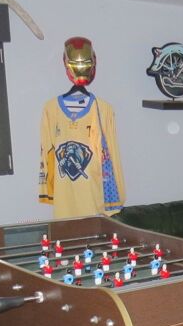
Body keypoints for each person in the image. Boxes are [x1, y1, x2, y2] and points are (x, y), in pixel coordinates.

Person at [39, 37, 126, 218]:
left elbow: (111, 156)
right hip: (64, 200)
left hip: (93, 198)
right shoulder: (51, 109)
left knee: (93, 234)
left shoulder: (103, 110)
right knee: (66, 233)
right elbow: (47, 154)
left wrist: (114, 198)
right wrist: (48, 190)